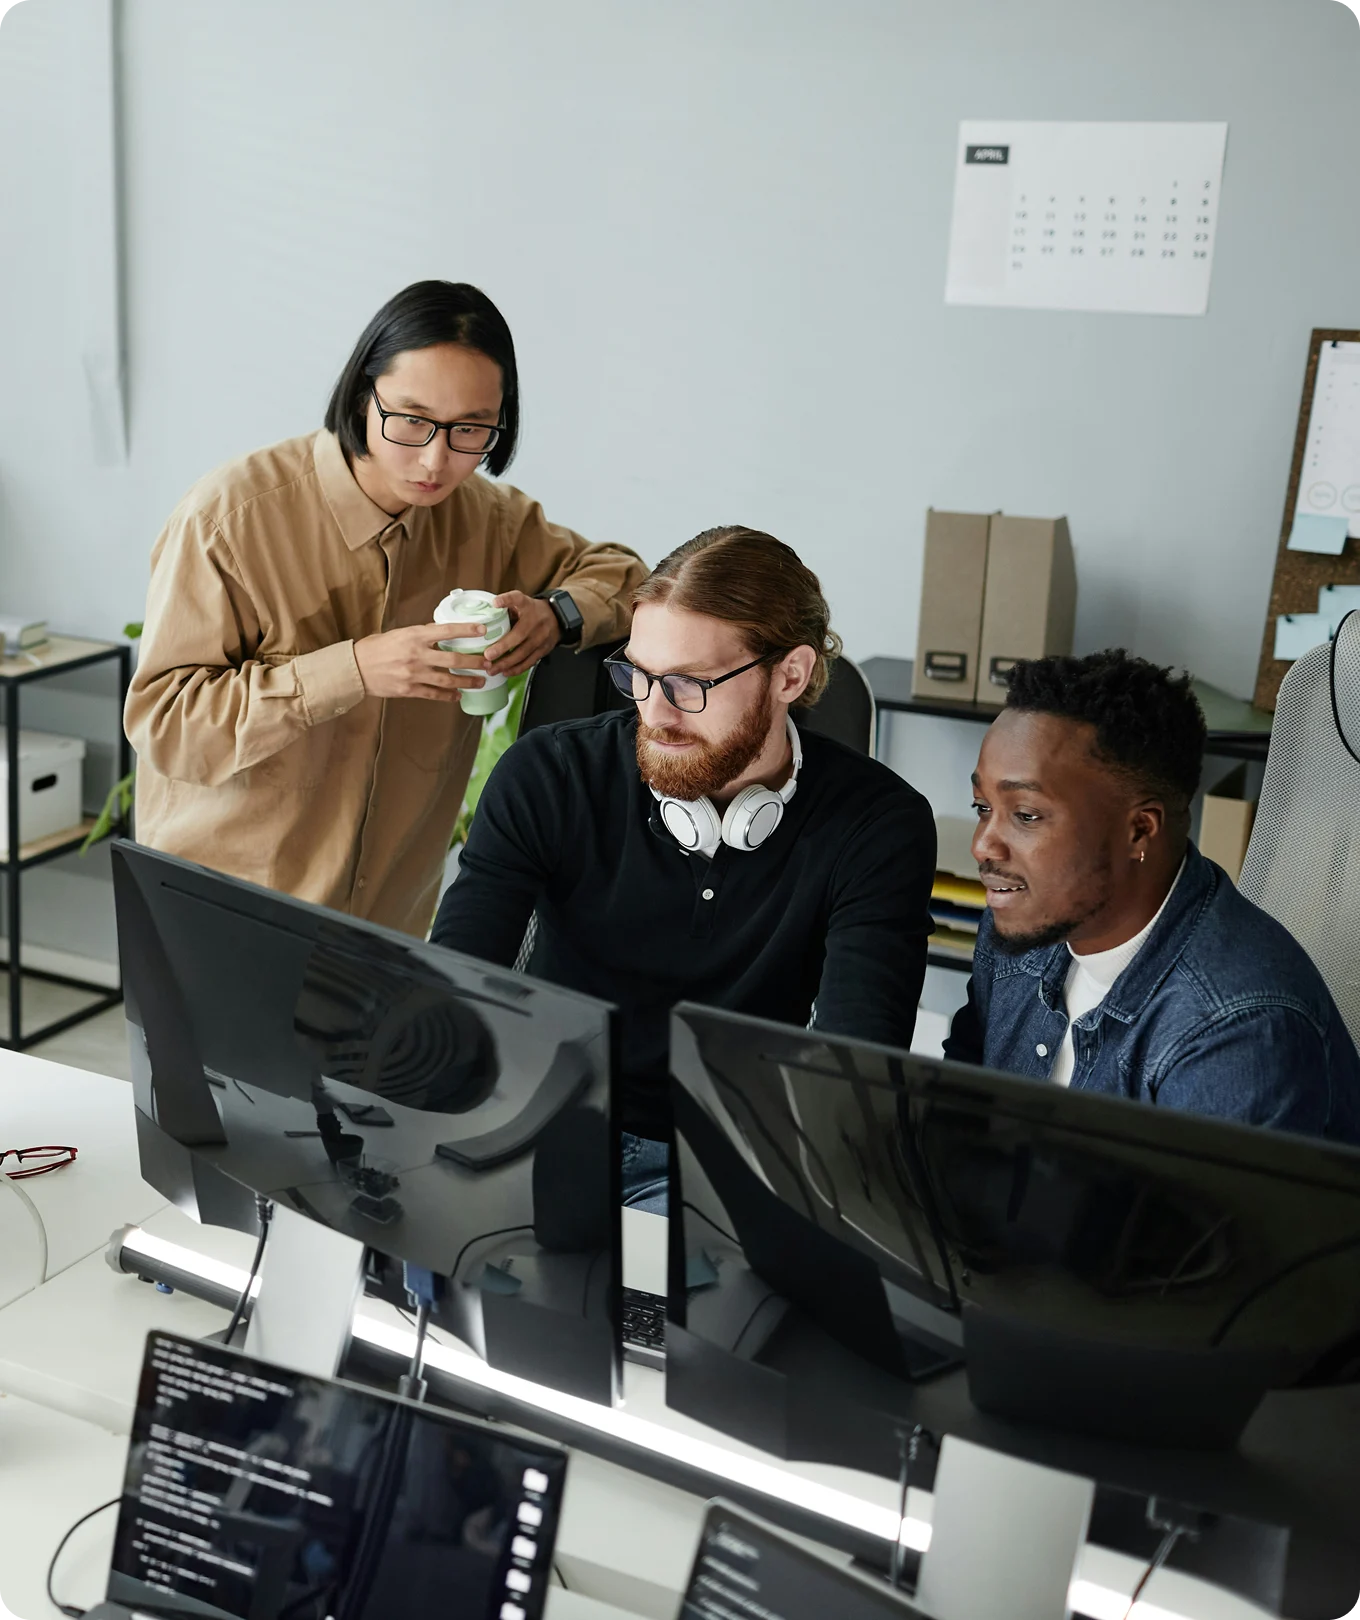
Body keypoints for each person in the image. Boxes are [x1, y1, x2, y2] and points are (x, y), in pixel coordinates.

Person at [431, 526, 936, 1210]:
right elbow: (454, 990)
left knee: (646, 1313)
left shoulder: (878, 824)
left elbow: (855, 1076)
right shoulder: (550, 773)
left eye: (688, 685)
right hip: (547, 1132)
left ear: (789, 674)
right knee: (439, 1276)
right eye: (636, 676)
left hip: (727, 1166)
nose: (654, 711)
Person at [125, 280, 646, 937]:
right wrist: (353, 671)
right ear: (360, 392)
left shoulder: (487, 518)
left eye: (471, 429)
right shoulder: (230, 519)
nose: (435, 459)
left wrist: (557, 614)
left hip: (389, 925)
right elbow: (168, 728)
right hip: (225, 919)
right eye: (411, 419)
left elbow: (627, 577)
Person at [945, 649, 1360, 1143]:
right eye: (982, 807)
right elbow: (959, 1113)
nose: (983, 846)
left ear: (1139, 830)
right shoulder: (1025, 919)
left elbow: (1193, 1221)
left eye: (1027, 815)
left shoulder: (1238, 1032)